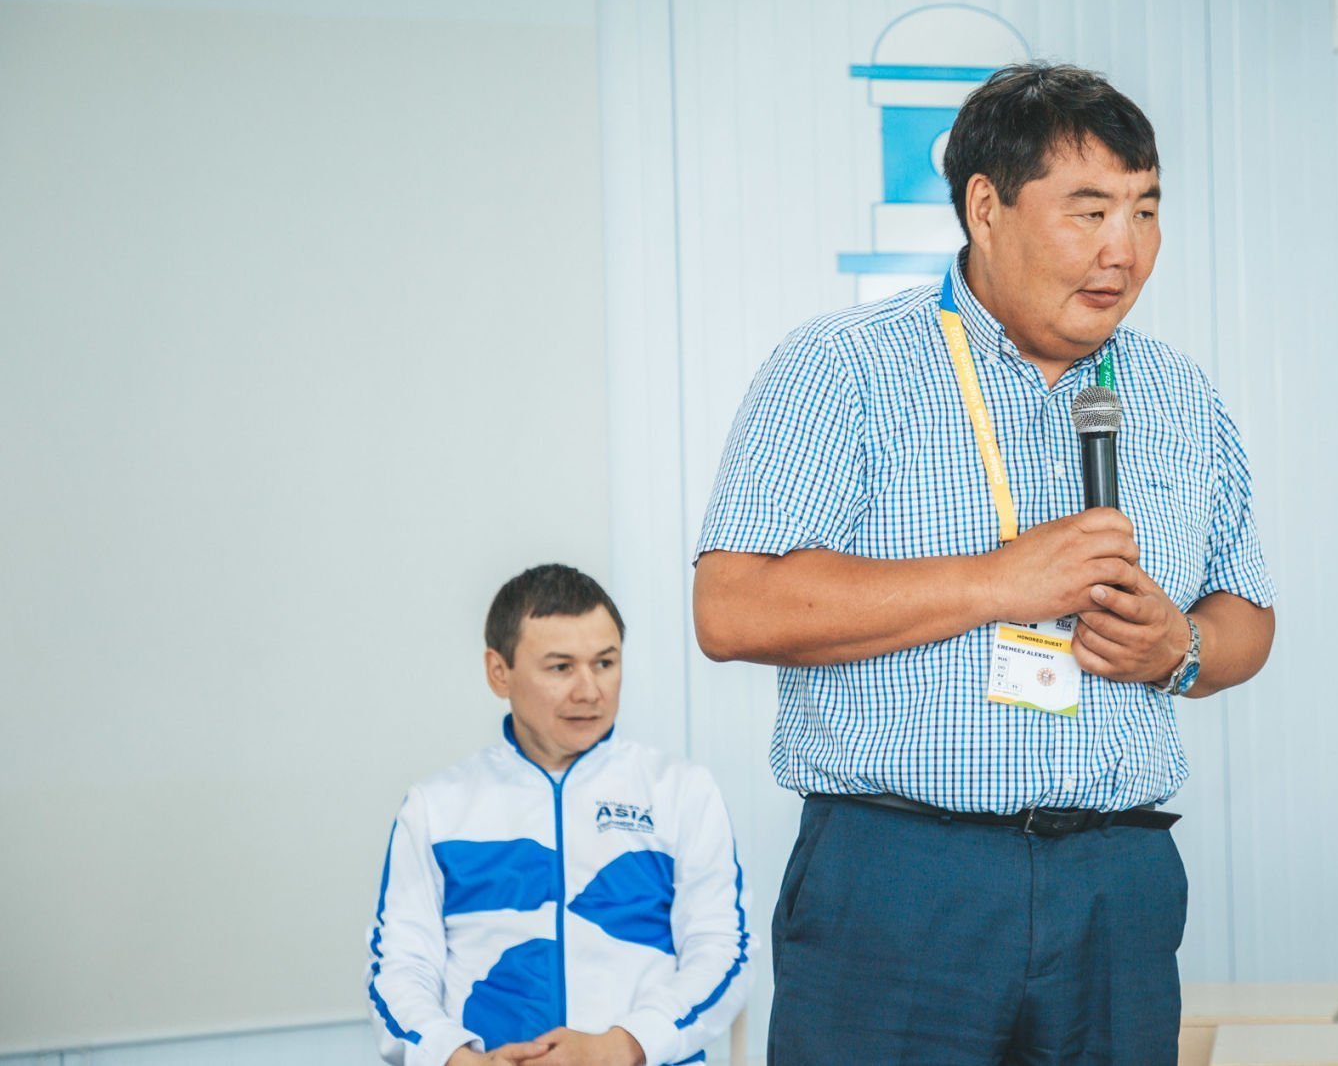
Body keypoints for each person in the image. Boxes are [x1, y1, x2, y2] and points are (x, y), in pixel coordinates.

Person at [693, 63, 1276, 1065]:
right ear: (985, 207)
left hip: (1116, 880)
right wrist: (1000, 580)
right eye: (1088, 211)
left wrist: (1179, 646)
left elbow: (1247, 618)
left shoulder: (1181, 395)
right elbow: (732, 607)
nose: (1124, 249)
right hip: (903, 880)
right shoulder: (843, 367)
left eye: (1144, 211)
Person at [366, 564, 749, 1066]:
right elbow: (399, 968)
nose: (589, 691)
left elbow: (723, 951)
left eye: (605, 663)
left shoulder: (681, 791)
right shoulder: (436, 807)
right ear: (498, 672)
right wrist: (458, 1059)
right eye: (561, 667)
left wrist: (619, 1047)